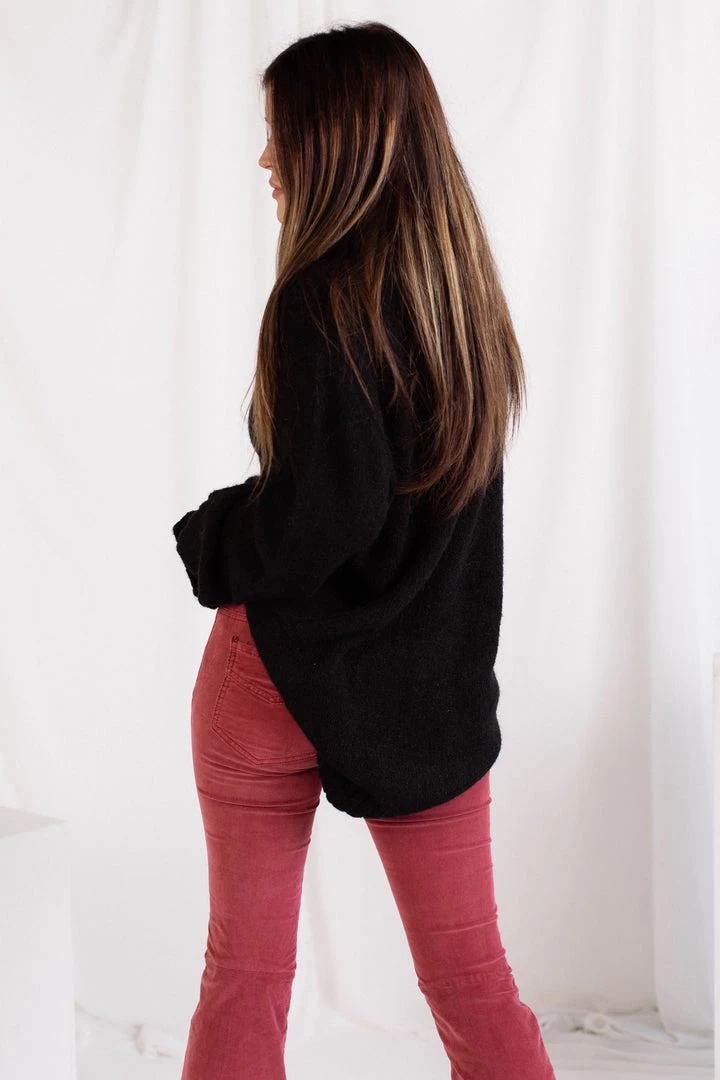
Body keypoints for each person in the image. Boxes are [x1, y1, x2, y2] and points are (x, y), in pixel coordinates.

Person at [173, 20, 556, 1080]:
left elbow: (323, 517)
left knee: (244, 977)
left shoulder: (319, 298)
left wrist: (212, 537)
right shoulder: (463, 304)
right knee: (474, 984)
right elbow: (372, 501)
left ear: (338, 142)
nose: (265, 159)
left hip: (271, 676)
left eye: (281, 133)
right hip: (424, 692)